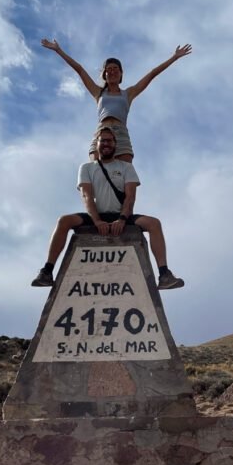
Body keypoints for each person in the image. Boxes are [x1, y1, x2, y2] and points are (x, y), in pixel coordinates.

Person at [31, 126, 184, 290]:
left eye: (109, 141)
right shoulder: (87, 168)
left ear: (115, 144)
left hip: (121, 215)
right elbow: (86, 196)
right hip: (96, 215)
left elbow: (130, 197)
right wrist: (97, 221)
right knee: (64, 221)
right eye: (103, 140)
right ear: (97, 144)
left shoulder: (126, 167)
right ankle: (47, 271)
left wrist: (122, 219)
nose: (106, 144)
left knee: (154, 223)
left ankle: (164, 274)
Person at [40, 39, 192, 162]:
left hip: (121, 134)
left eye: (115, 69)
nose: (112, 72)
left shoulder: (129, 93)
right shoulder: (98, 92)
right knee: (96, 170)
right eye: (109, 70)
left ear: (121, 74)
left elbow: (152, 74)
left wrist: (174, 57)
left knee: (123, 175)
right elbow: (79, 69)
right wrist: (59, 50)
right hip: (102, 132)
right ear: (104, 75)